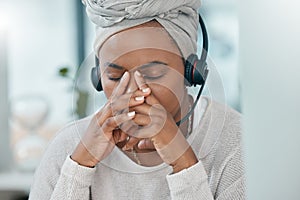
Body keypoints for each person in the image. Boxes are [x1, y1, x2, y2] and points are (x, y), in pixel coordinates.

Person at [29, 0, 245, 199]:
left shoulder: (235, 140)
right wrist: (79, 167)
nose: (133, 92)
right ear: (97, 77)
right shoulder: (68, 146)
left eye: (153, 75)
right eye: (114, 77)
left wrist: (183, 163)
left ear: (191, 72)